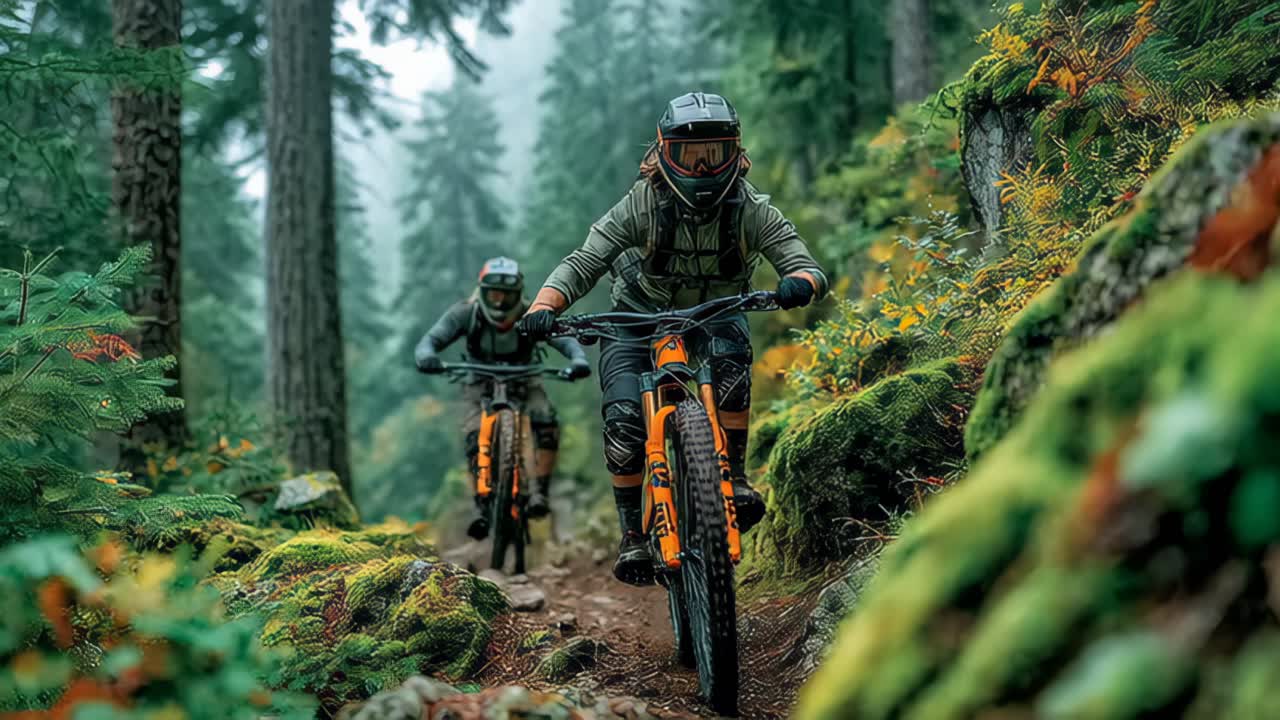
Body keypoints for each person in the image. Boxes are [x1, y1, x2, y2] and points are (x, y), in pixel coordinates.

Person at [518, 92, 827, 586]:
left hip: (715, 315)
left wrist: (800, 282)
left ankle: (735, 479)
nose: (703, 168)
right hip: (635, 319)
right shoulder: (639, 205)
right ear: (663, 152)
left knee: (731, 375)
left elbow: (802, 262)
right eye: (689, 155)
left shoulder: (749, 209)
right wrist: (543, 307)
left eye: (715, 154)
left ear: (735, 152)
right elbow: (585, 261)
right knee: (623, 423)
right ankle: (632, 535)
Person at [416, 257, 591, 540]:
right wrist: (427, 356)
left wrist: (578, 358)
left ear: (518, 293)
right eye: (493, 294)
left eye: (506, 295)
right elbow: (433, 339)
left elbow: (564, 339)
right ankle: (481, 504)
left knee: (546, 425)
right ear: (482, 292)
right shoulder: (465, 313)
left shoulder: (531, 313)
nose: (499, 302)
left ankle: (539, 491)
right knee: (473, 437)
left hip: (525, 380)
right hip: (479, 383)